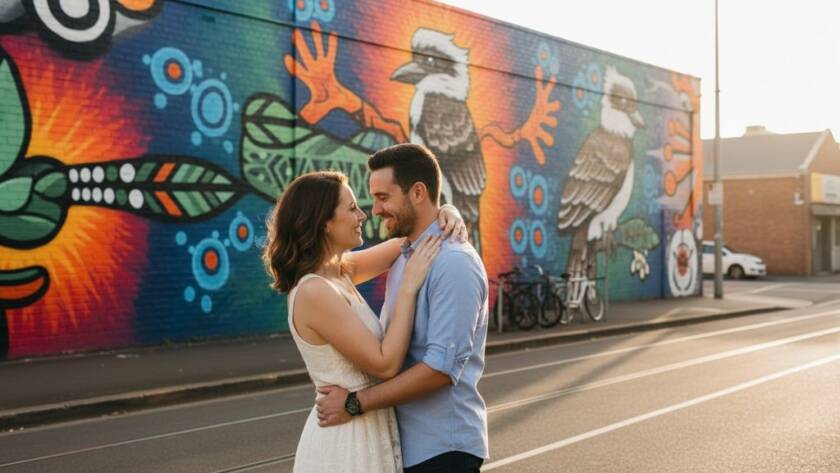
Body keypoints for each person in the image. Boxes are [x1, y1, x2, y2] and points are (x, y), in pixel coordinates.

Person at [262, 169, 467, 473]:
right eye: (351, 208)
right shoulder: (314, 291)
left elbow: (412, 239)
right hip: (346, 441)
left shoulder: (340, 272)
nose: (363, 215)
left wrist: (447, 211)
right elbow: (385, 364)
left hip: (365, 424)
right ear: (324, 223)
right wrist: (409, 287)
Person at [316, 144, 490, 473]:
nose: (374, 210)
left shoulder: (454, 264)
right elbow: (330, 269)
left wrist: (354, 404)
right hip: (408, 449)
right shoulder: (407, 252)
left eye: (383, 197)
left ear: (418, 192)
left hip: (442, 450)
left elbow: (439, 370)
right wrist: (447, 209)